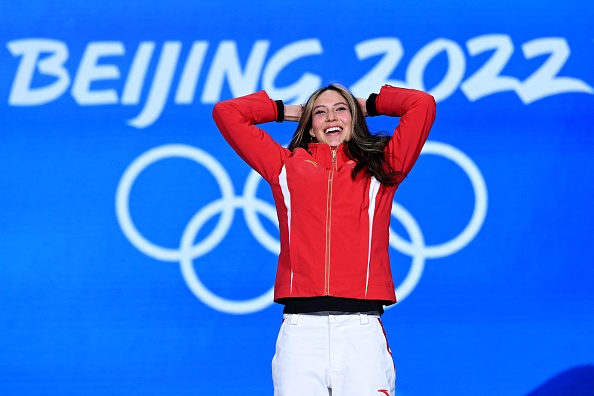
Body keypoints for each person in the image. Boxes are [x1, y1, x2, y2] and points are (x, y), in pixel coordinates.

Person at [212, 83, 436, 396]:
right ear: (311, 126)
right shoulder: (285, 167)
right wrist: (284, 111)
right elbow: (227, 113)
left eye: (340, 109)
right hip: (301, 332)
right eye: (320, 111)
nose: (331, 116)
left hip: (360, 331)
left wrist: (368, 104)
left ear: (355, 119)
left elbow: (422, 104)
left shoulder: (382, 167)